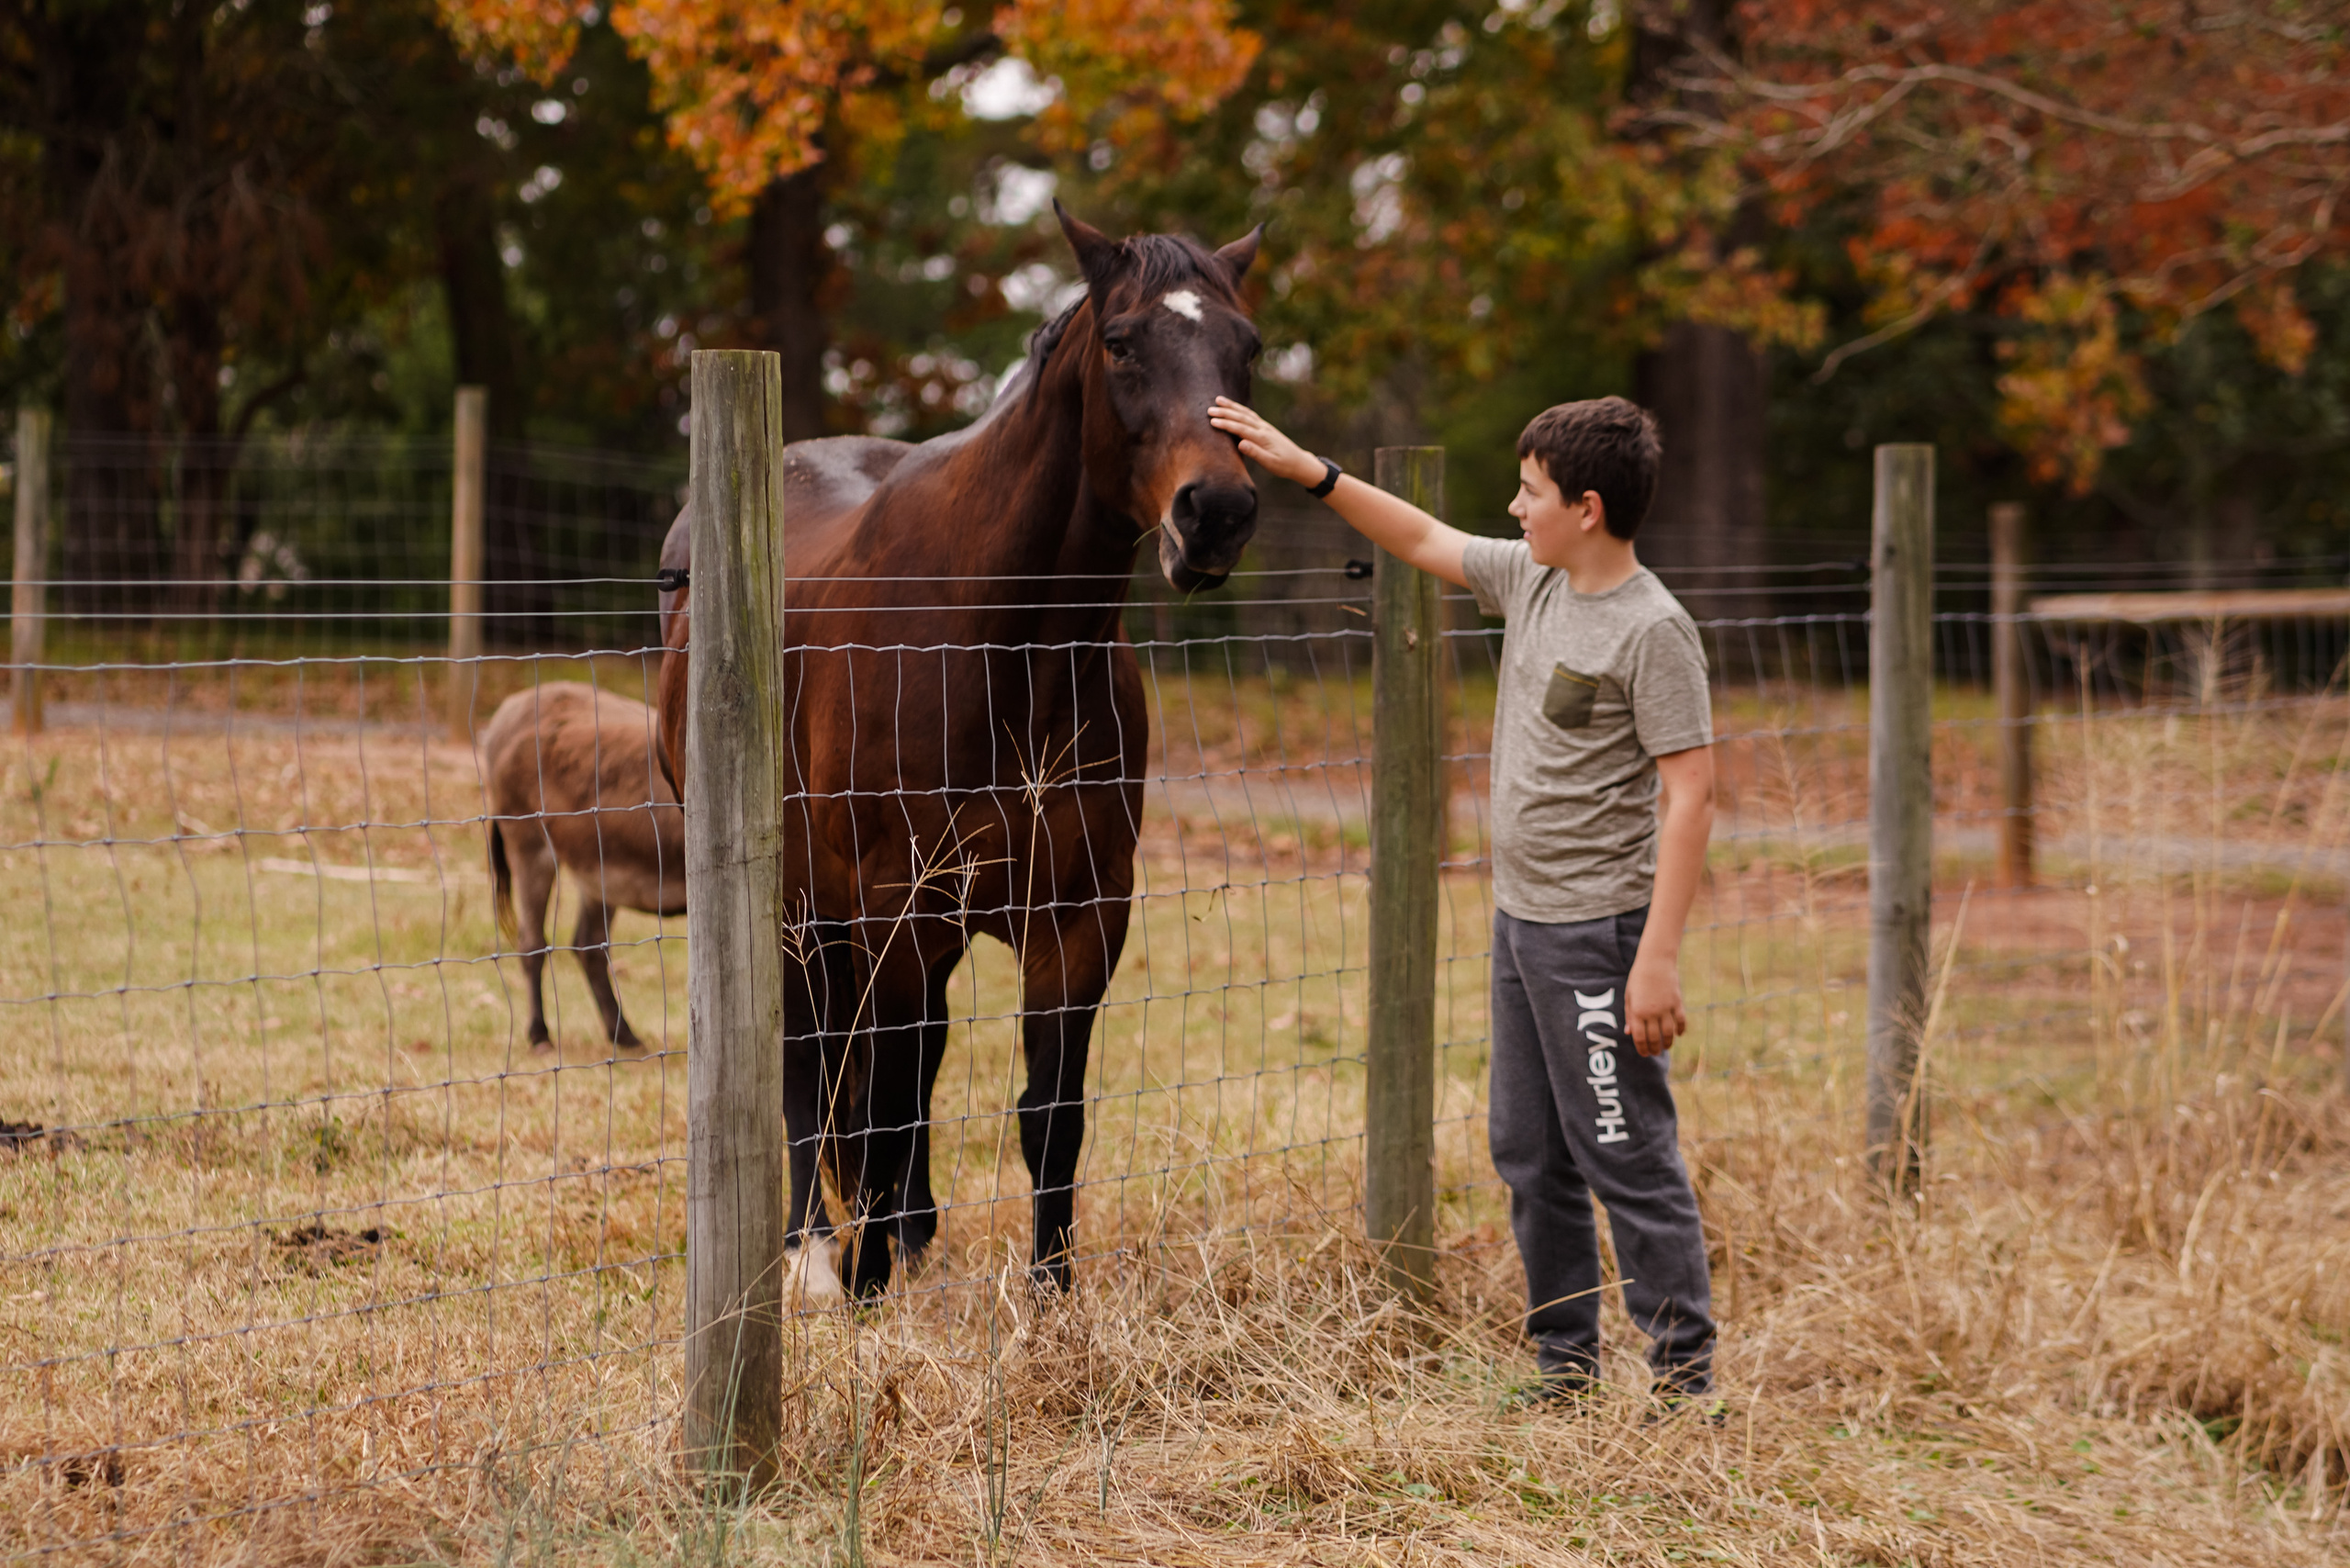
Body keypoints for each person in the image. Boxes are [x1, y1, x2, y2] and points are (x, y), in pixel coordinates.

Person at [1207, 393, 1718, 1409]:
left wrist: (1653, 958)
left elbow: (1693, 791)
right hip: (1520, 922)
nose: (1512, 507)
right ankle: (1563, 1369)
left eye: (1529, 492)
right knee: (1528, 1152)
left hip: (1596, 933)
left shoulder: (1652, 628)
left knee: (1621, 1149)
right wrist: (1312, 470)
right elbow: (1424, 536)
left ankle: (1684, 1383)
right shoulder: (1533, 580)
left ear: (1586, 504)